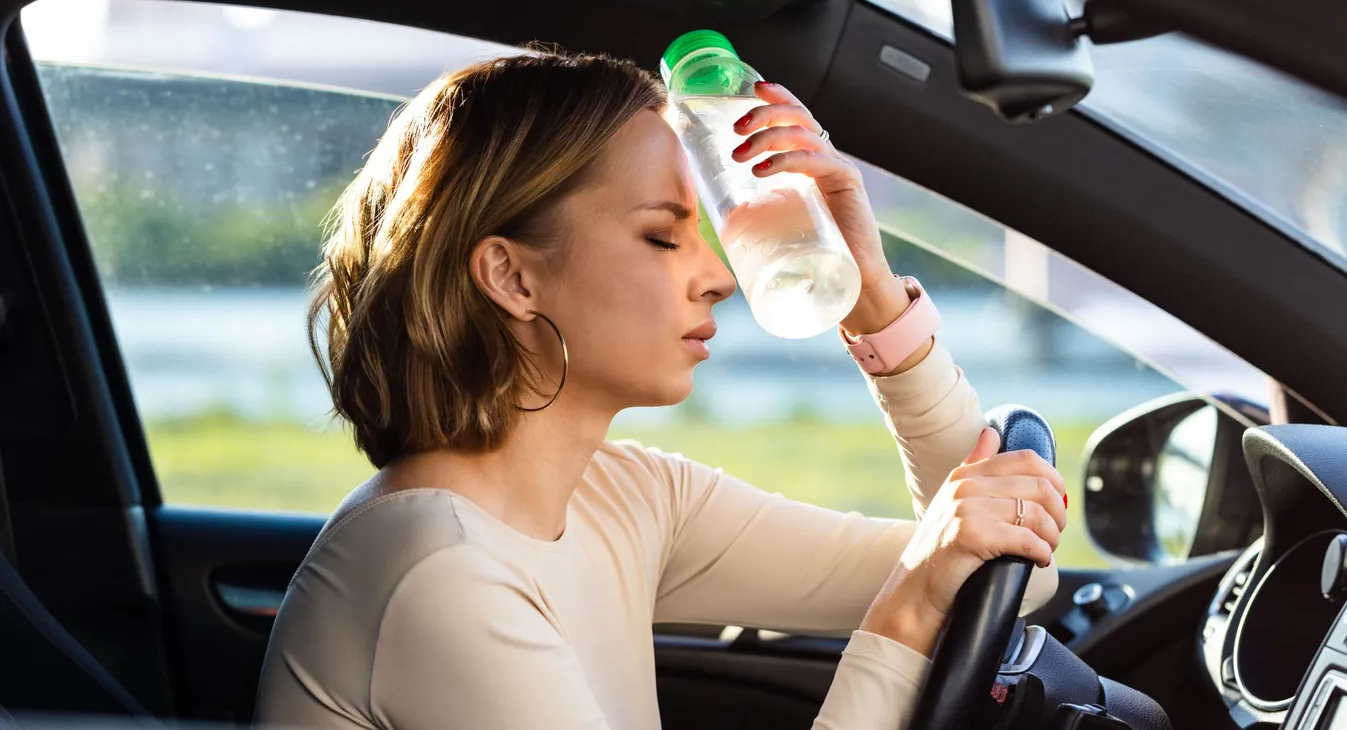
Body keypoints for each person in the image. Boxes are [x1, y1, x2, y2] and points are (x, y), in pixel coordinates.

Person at [254, 50, 1067, 730]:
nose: (717, 277)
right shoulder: (436, 572)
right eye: (660, 236)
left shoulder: (628, 497)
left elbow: (1011, 572)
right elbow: (935, 584)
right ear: (510, 275)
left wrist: (873, 295)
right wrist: (909, 611)